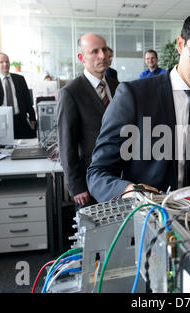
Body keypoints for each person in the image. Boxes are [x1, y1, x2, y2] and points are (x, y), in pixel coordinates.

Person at [87, 10, 190, 205]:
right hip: (144, 217)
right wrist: (129, 191)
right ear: (180, 45)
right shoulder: (135, 96)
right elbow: (98, 173)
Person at [57, 33, 119, 208]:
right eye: (95, 51)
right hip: (90, 182)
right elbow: (66, 145)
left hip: (120, 178)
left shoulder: (117, 86)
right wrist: (77, 187)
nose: (102, 55)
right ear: (81, 58)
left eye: (105, 49)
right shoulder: (70, 92)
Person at [0, 53, 36, 139]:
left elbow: (27, 100)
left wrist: (32, 117)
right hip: (2, 121)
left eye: (7, 62)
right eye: (1, 62)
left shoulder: (20, 79)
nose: (5, 64)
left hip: (20, 119)